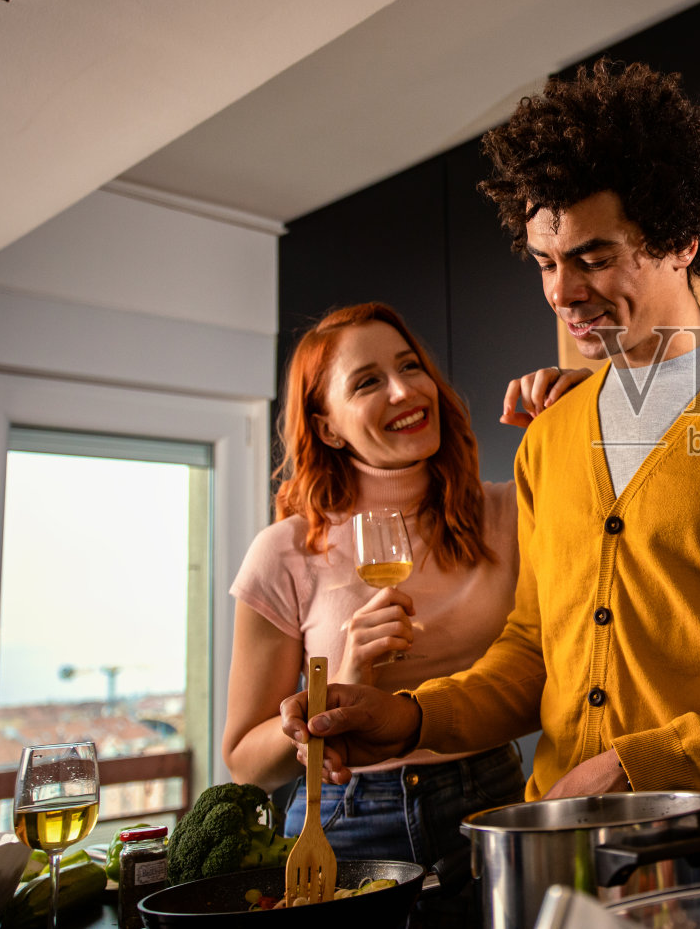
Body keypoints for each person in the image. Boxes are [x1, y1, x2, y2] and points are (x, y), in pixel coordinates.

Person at [280, 61, 700, 879]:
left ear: (682, 238)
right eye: (546, 261)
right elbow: (533, 651)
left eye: (592, 257)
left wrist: (646, 765)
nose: (560, 291)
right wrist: (406, 718)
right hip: (566, 867)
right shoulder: (551, 436)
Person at [222, 303, 525, 920]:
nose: (405, 389)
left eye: (410, 366)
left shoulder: (509, 514)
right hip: (344, 816)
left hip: (492, 798)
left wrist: (580, 404)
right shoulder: (284, 551)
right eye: (367, 382)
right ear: (328, 427)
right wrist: (331, 696)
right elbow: (245, 762)